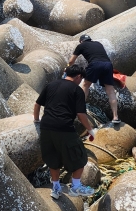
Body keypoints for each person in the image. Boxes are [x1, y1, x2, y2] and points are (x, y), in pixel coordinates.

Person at [33, 64, 97, 198]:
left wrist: (37, 121)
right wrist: (90, 130)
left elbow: (37, 104)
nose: (81, 81)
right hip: (64, 127)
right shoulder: (77, 90)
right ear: (78, 76)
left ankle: (55, 188)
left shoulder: (51, 85)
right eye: (81, 79)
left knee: (52, 158)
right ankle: (76, 187)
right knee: (79, 157)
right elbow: (80, 114)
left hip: (46, 127)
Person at [68, 34, 119, 124]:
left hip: (95, 64)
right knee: (110, 91)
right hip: (108, 65)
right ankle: (115, 117)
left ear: (81, 41)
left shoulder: (81, 45)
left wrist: (68, 69)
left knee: (85, 85)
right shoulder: (98, 44)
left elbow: (71, 61)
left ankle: (79, 109)